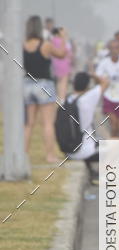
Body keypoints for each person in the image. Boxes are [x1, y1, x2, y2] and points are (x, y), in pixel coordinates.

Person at [23, 15, 68, 163]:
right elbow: (62, 55)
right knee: (48, 123)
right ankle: (50, 155)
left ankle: (24, 155)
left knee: (29, 123)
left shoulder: (22, 44)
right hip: (44, 85)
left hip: (27, 84)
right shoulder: (45, 45)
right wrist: (63, 38)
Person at [63, 71, 103, 181]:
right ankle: (106, 178)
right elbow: (105, 82)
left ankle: (93, 172)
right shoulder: (87, 99)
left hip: (69, 150)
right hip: (82, 151)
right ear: (87, 86)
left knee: (92, 140)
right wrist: (93, 74)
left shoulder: (67, 100)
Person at [95, 38, 119, 139]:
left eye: (117, 48)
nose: (114, 50)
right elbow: (97, 78)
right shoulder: (104, 63)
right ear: (109, 49)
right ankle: (114, 152)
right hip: (109, 97)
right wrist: (100, 79)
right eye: (112, 48)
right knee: (114, 125)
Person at [50, 27, 73, 102]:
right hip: (64, 63)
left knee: (58, 83)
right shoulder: (64, 41)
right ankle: (62, 100)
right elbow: (68, 53)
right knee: (63, 83)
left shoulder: (52, 40)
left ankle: (58, 99)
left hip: (55, 64)